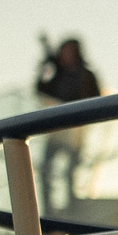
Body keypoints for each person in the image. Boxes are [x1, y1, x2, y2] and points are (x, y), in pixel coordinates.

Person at [35, 35, 102, 210]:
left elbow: (96, 99)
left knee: (71, 172)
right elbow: (41, 90)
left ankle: (73, 208)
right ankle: (49, 210)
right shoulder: (58, 76)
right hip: (57, 130)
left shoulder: (86, 75)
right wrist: (46, 67)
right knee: (46, 170)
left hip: (76, 131)